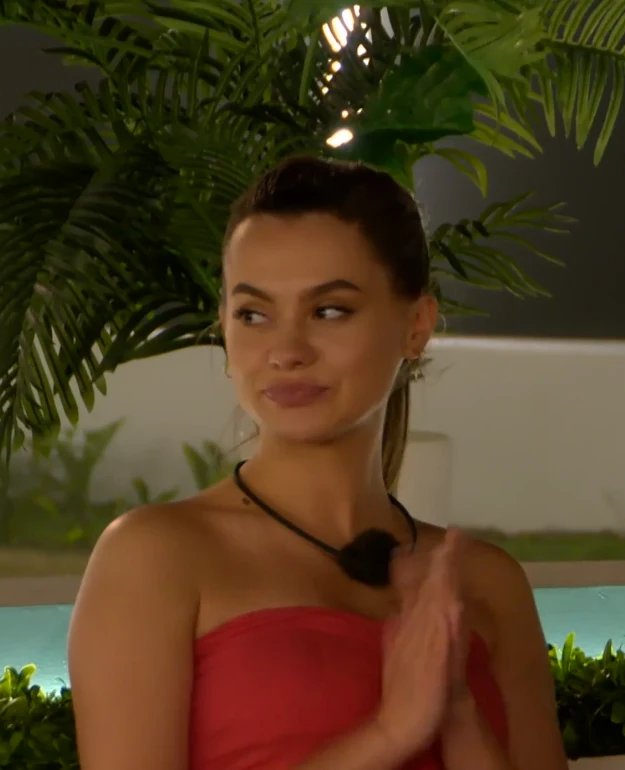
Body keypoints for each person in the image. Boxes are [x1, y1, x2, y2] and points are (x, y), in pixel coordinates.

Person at [68, 156, 568, 770]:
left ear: (416, 326)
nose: (287, 351)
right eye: (254, 314)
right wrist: (389, 732)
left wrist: (458, 712)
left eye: (329, 310)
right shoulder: (155, 557)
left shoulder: (486, 583)